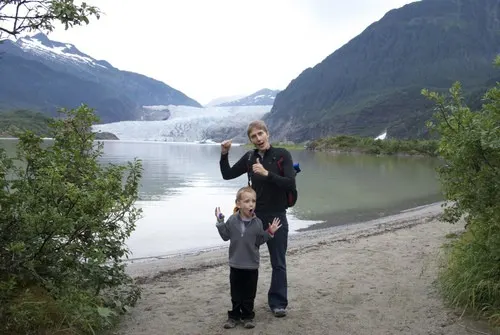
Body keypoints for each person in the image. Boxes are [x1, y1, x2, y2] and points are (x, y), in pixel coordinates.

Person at [219, 120, 296, 318]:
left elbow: (289, 183)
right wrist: (224, 153)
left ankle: (278, 303)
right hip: (252, 217)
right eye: (254, 136)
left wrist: (266, 173)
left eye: (261, 134)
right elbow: (227, 175)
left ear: (267, 133)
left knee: (278, 261)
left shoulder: (282, 155)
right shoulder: (249, 157)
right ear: (250, 140)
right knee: (244, 260)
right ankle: (243, 304)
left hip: (276, 216)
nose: (258, 139)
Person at [215, 186, 281, 329]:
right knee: (236, 293)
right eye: (246, 201)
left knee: (249, 293)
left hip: (251, 265)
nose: (251, 204)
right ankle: (233, 316)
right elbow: (225, 236)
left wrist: (270, 232)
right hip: (236, 264)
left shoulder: (257, 223)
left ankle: (247, 316)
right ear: (238, 204)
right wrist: (220, 222)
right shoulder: (232, 220)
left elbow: (259, 241)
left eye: (253, 201)